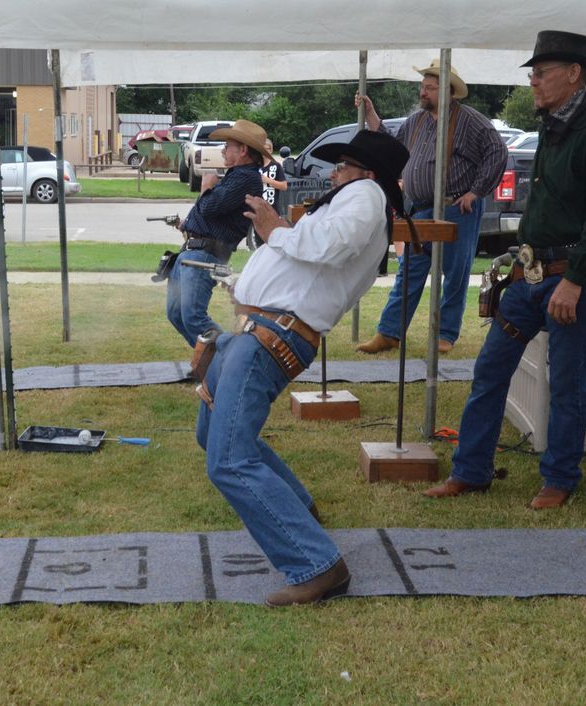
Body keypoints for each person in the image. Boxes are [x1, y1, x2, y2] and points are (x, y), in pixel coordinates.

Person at [195, 130, 410, 605]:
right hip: (257, 331)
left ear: (367, 173)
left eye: (342, 166)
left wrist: (275, 229)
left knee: (228, 458)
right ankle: (297, 510)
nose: (333, 174)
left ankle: (317, 565)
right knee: (213, 435)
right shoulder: (354, 197)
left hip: (271, 335)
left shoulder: (366, 195)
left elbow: (332, 245)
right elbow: (308, 252)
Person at [424, 30, 586, 509]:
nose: (532, 81)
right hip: (529, 276)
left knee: (567, 384)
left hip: (568, 279)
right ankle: (471, 471)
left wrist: (575, 280)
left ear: (573, 75)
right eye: (532, 73)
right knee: (490, 371)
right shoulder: (553, 129)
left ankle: (560, 478)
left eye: (540, 73)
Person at [354, 60, 507, 355]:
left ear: (448, 91)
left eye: (430, 88)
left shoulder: (470, 120)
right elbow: (391, 147)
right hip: (422, 209)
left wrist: (476, 192)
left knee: (455, 273)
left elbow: (497, 152)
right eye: (422, 87)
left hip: (457, 209)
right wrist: (371, 115)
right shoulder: (417, 121)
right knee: (409, 270)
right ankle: (389, 333)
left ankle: (445, 335)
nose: (423, 92)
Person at [166, 120, 265, 347]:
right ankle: (212, 359)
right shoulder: (237, 175)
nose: (223, 150)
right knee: (176, 313)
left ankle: (229, 357)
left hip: (205, 255)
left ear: (243, 150)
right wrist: (188, 225)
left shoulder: (245, 178)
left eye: (228, 146)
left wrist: (206, 187)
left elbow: (210, 207)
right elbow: (210, 212)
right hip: (194, 252)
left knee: (193, 316)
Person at [260, 138, 288, 210]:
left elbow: (284, 186)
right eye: (263, 149)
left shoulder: (276, 165)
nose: (265, 151)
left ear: (271, 150)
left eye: (267, 149)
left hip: (272, 210)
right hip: (258, 210)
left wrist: (268, 180)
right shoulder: (254, 166)